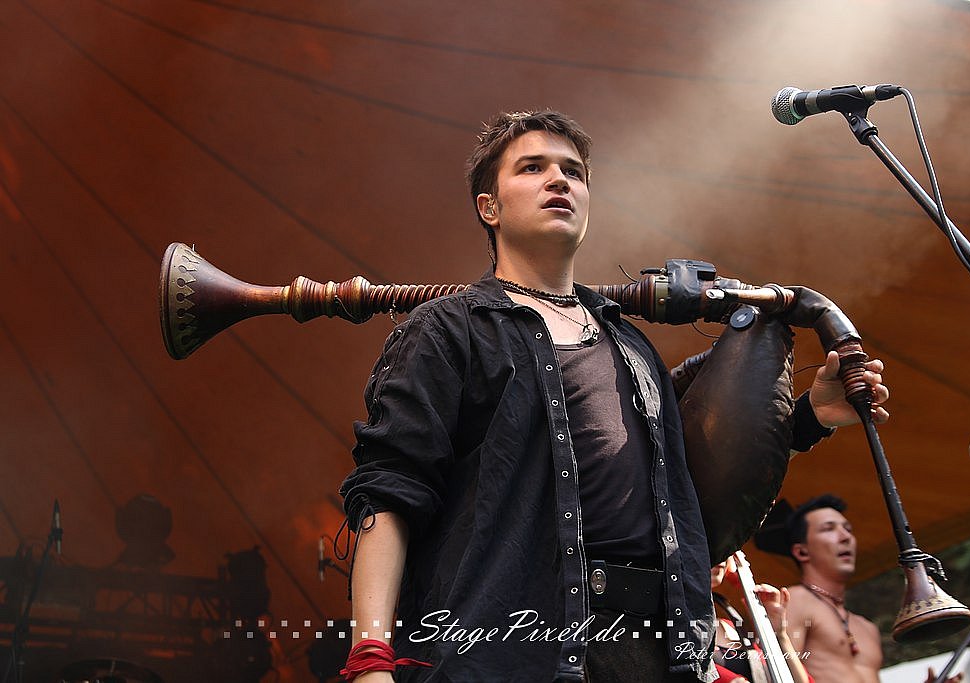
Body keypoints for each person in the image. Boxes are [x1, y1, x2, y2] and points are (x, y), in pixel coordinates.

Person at [339, 110, 889, 683]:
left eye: (573, 172)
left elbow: (688, 481)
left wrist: (810, 417)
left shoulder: (630, 344)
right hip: (509, 651)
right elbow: (390, 491)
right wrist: (371, 658)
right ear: (490, 208)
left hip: (657, 654)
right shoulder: (446, 329)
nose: (559, 180)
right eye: (532, 168)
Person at [783, 495, 958, 683]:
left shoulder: (867, 628)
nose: (845, 537)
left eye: (848, 529)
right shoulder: (794, 600)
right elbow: (780, 675)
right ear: (802, 551)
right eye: (829, 529)